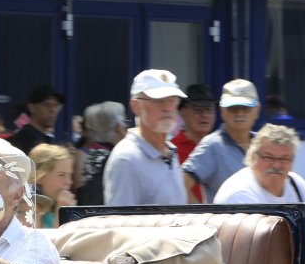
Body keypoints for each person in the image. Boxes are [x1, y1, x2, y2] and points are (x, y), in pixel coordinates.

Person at [212, 125, 305, 248]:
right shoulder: (239, 191)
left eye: (284, 159)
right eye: (268, 157)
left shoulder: (295, 182)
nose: (277, 165)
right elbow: (261, 242)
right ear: (253, 157)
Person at [104, 69, 188, 206]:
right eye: (158, 101)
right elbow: (120, 217)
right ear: (136, 106)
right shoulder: (127, 159)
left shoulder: (170, 151)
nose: (167, 108)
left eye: (172, 100)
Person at [182, 79, 259, 202]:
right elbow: (181, 184)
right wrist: (200, 212)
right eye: (233, 108)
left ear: (257, 110)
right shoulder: (212, 145)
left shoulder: (263, 144)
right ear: (222, 111)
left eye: (246, 108)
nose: (239, 113)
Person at [76, 101, 125, 206]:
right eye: (125, 122)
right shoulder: (116, 160)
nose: (126, 127)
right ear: (118, 127)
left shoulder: (93, 155)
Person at [173, 84, 215, 202]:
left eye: (209, 109)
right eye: (198, 109)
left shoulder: (219, 147)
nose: (204, 115)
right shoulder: (172, 149)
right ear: (182, 112)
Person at [29, 144, 77, 228]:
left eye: (70, 175)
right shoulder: (30, 205)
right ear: (39, 176)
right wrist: (61, 213)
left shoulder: (56, 204)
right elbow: (37, 236)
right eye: (61, 175)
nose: (69, 182)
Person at [9, 85, 65, 155]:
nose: (53, 110)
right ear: (32, 108)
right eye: (46, 104)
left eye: (56, 105)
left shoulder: (44, 139)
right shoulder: (26, 140)